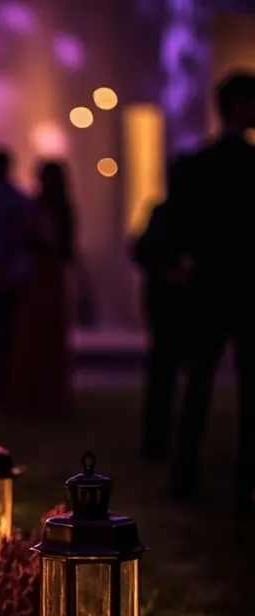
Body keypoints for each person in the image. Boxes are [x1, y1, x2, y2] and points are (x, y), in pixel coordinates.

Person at [165, 73, 255, 516]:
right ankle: (243, 485)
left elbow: (178, 223)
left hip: (208, 287)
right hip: (241, 287)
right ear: (239, 105)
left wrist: (183, 264)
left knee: (198, 384)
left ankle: (185, 475)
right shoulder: (243, 164)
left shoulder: (196, 164)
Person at [4, 160, 77, 414]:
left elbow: (61, 245)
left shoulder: (54, 208)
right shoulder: (41, 206)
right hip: (40, 275)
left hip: (48, 275)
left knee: (45, 333)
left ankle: (47, 394)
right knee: (35, 333)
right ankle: (34, 393)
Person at [133, 157, 194, 461]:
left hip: (167, 303)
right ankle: (163, 442)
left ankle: (160, 441)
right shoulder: (178, 213)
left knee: (163, 374)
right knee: (171, 373)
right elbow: (142, 252)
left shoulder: (162, 212)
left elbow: (140, 251)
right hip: (175, 304)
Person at [0, 148, 32, 401]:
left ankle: (5, 384)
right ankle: (3, 383)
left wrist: (0, 265)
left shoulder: (7, 202)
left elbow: (14, 238)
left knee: (5, 331)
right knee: (2, 331)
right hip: (7, 272)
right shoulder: (13, 201)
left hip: (8, 273)